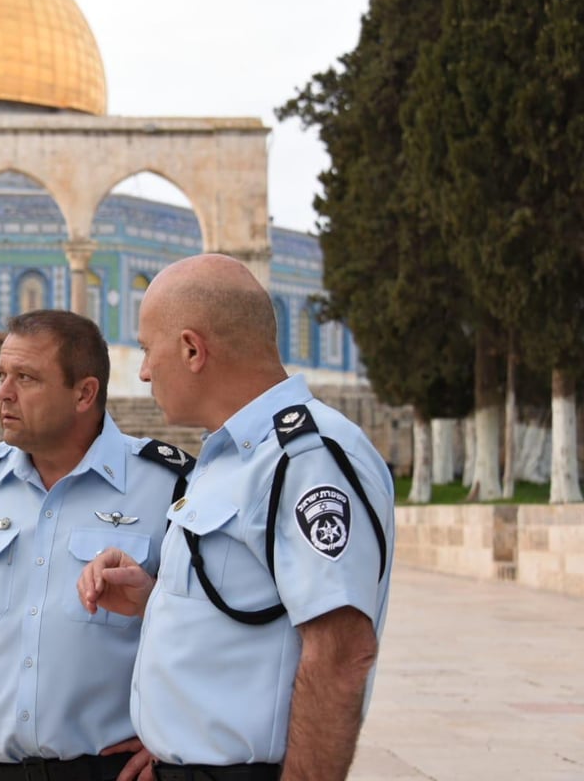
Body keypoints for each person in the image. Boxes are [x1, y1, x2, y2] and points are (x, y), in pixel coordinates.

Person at [78, 254, 395, 781]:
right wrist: (155, 596)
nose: (144, 371)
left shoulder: (304, 457)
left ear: (191, 349)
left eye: (146, 349)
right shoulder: (231, 455)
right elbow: (253, 607)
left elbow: (341, 654)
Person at [0, 309, 193, 781]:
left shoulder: (165, 486)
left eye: (26, 378)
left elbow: (203, 635)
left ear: (85, 393)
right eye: (2, 375)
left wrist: (179, 737)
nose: (3, 393)